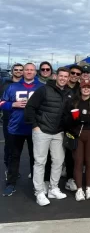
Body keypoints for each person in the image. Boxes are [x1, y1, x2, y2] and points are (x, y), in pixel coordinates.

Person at [24, 67, 73, 206]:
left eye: (66, 76)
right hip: (42, 130)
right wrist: (35, 125)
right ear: (56, 76)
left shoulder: (68, 93)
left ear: (68, 78)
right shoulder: (44, 90)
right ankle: (39, 192)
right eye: (61, 76)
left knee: (58, 161)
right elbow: (30, 107)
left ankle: (53, 188)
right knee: (40, 162)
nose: (63, 78)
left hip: (58, 132)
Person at [1, 63, 42, 196]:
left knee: (35, 158)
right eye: (27, 70)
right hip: (16, 128)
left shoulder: (41, 87)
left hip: (34, 128)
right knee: (14, 157)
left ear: (35, 72)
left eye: (32, 70)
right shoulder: (12, 87)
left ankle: (37, 186)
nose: (29, 72)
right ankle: (11, 183)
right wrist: (13, 104)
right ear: (23, 72)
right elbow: (1, 103)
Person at [62, 79, 90, 201]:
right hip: (77, 134)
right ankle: (79, 189)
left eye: (88, 87)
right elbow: (65, 119)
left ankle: (88, 187)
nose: (86, 89)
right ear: (80, 88)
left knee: (89, 161)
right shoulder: (73, 102)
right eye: (83, 87)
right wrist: (73, 119)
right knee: (78, 161)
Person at [0, 63, 23, 173]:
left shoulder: (27, 85)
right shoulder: (5, 84)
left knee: (21, 148)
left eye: (20, 70)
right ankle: (9, 169)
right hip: (9, 120)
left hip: (25, 121)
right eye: (16, 69)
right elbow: (1, 102)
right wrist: (12, 105)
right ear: (12, 71)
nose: (18, 71)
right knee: (9, 146)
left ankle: (15, 169)